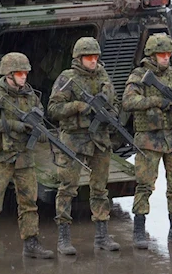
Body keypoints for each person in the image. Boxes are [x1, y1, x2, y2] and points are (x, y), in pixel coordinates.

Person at [0, 52, 54, 264]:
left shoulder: (31, 96)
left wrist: (43, 135)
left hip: (24, 159)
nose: (24, 77)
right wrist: (14, 125)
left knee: (29, 203)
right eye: (19, 73)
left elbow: (40, 118)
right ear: (8, 74)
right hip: (1, 158)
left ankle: (31, 243)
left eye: (25, 73)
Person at [122, 33, 172, 249]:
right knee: (145, 185)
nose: (165, 57)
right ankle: (139, 230)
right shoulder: (139, 75)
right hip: (149, 140)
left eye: (168, 54)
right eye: (161, 54)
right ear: (152, 55)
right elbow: (128, 101)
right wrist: (157, 101)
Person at [48, 37, 120, 255]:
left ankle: (101, 236)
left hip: (99, 140)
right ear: (79, 58)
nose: (93, 61)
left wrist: (111, 115)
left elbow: (115, 103)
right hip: (74, 140)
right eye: (89, 57)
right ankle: (63, 238)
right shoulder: (67, 79)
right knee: (67, 188)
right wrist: (78, 106)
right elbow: (53, 109)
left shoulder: (103, 77)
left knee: (100, 189)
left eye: (96, 57)